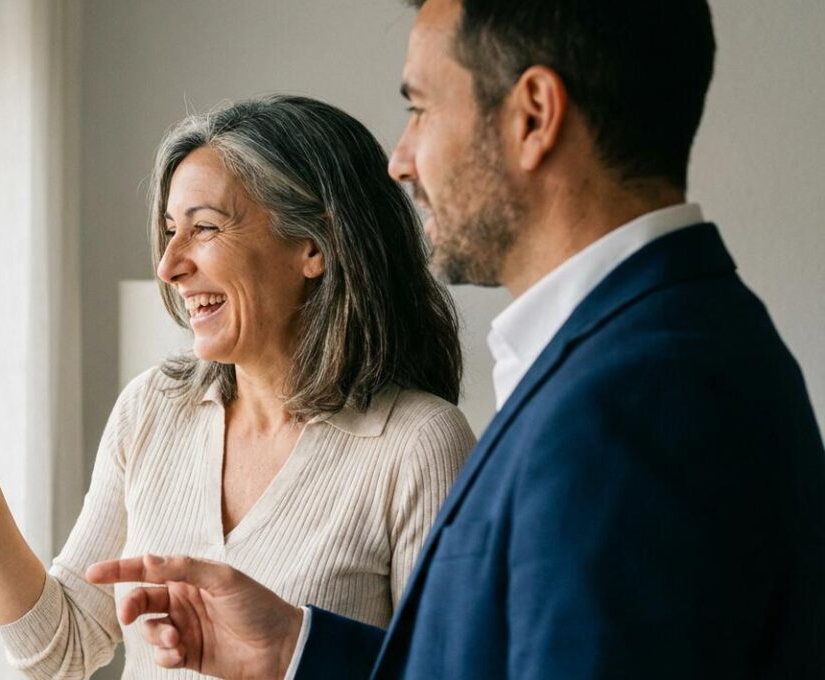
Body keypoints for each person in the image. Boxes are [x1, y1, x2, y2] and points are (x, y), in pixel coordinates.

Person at [90, 1, 825, 678]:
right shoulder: (652, 350)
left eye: (421, 108)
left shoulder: (639, 401)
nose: (401, 159)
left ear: (534, 115)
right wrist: (294, 648)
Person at [0, 94, 477, 678]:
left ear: (312, 246)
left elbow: (449, 670)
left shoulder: (417, 442)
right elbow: (61, 648)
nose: (169, 264)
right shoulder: (154, 408)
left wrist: (291, 649)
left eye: (203, 228)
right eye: (169, 228)